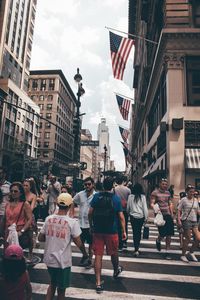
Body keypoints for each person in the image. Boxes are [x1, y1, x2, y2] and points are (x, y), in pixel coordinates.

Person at [38, 193, 89, 300]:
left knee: (52, 284)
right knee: (61, 289)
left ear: (57, 203)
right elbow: (78, 242)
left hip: (49, 259)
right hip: (62, 262)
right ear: (70, 205)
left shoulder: (48, 219)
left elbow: (40, 238)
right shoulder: (72, 222)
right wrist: (85, 254)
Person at [88, 177, 126, 294]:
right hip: (112, 231)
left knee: (98, 256)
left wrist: (91, 225)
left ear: (103, 186)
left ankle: (98, 283)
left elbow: (90, 213)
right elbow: (121, 217)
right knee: (114, 253)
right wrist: (123, 231)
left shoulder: (96, 197)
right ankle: (115, 270)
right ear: (112, 186)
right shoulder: (115, 198)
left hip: (98, 230)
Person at [0, 182, 32, 251]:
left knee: (16, 253)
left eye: (15, 191)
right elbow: (4, 219)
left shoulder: (25, 204)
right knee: (7, 252)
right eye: (11, 191)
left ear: (21, 193)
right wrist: (1, 232)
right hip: (7, 233)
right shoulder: (7, 204)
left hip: (18, 233)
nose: (13, 193)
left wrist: (22, 231)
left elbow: (30, 219)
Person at [72, 177, 96, 268]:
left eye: (89, 184)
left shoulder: (96, 195)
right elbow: (72, 202)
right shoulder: (80, 194)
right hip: (81, 222)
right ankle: (84, 254)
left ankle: (89, 259)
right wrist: (72, 214)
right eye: (85, 184)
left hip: (91, 223)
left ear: (93, 184)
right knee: (78, 241)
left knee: (91, 243)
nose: (87, 186)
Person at [150, 178, 174, 259]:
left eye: (166, 184)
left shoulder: (168, 193)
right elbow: (152, 203)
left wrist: (171, 213)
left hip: (168, 215)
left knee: (169, 234)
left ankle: (167, 252)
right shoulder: (155, 192)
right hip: (160, 216)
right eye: (163, 184)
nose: (165, 186)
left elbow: (170, 203)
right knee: (163, 233)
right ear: (160, 184)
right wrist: (156, 208)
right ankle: (158, 240)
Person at [177, 185, 200, 262]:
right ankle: (183, 255)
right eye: (190, 192)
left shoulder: (196, 200)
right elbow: (179, 211)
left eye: (193, 192)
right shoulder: (183, 200)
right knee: (188, 238)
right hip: (186, 220)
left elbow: (198, 211)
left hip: (194, 221)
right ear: (187, 192)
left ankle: (191, 252)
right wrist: (179, 220)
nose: (192, 193)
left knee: (198, 238)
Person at [127, 183, 148, 257]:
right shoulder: (143, 197)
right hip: (141, 217)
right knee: (138, 232)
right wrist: (146, 217)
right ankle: (137, 248)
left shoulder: (130, 197)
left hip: (133, 217)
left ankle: (135, 248)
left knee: (134, 232)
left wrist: (128, 214)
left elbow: (128, 207)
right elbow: (145, 208)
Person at [114, 176, 131, 250]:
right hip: (124, 210)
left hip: (116, 210)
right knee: (125, 225)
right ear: (123, 181)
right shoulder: (128, 190)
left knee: (117, 226)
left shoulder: (114, 189)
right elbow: (130, 200)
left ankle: (119, 243)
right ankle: (124, 242)